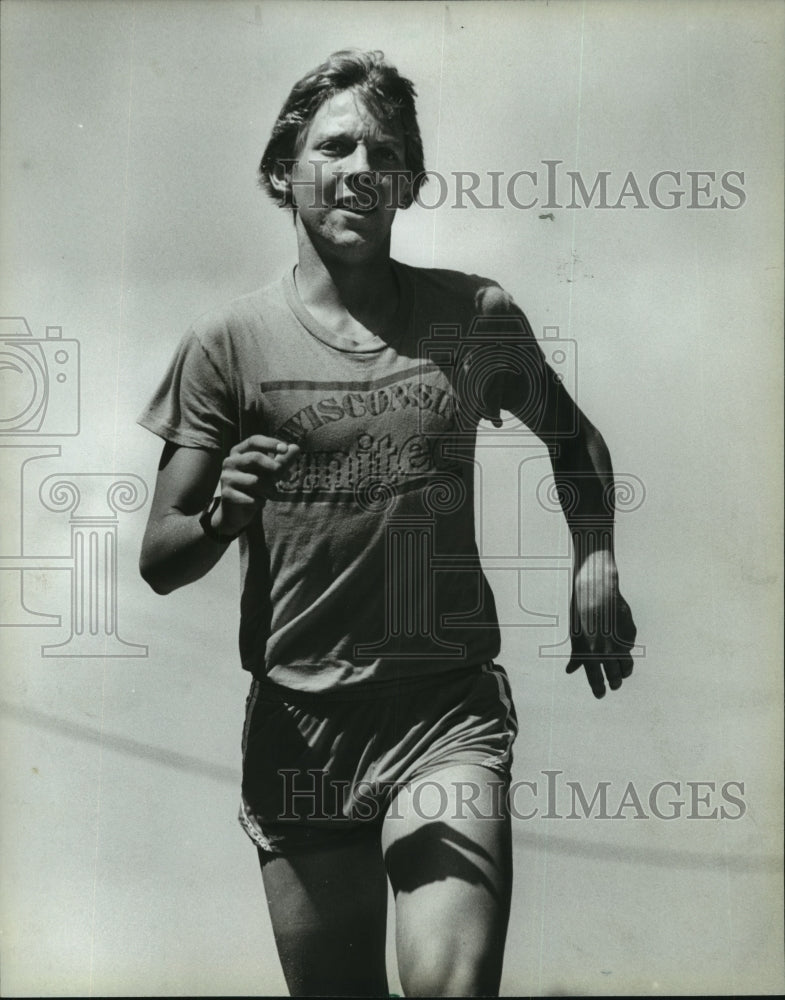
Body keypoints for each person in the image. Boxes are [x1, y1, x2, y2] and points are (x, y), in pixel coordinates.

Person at [138, 49, 637, 998]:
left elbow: (575, 442)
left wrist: (595, 559)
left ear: (408, 180)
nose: (359, 167)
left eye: (384, 151)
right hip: (298, 727)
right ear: (284, 172)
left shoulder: (473, 315)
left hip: (442, 709)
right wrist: (219, 516)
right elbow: (160, 557)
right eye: (334, 146)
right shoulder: (226, 344)